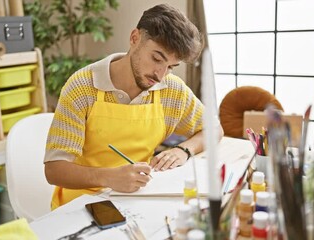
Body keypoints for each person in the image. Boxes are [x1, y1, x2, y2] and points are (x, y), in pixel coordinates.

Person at [44, 3, 224, 210]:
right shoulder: (82, 87)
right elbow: (54, 170)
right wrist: (109, 178)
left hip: (136, 198)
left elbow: (214, 129)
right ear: (134, 38)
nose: (160, 75)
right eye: (156, 58)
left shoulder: (171, 89)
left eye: (171, 67)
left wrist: (184, 150)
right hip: (80, 203)